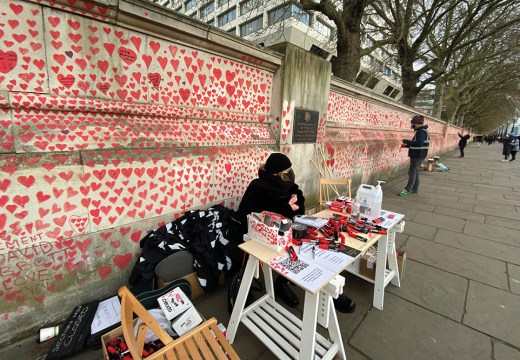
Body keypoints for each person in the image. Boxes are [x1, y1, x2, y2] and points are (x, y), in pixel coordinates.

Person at [238, 153, 357, 313]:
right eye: (286, 170)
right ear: (275, 173)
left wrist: (293, 207)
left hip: (290, 229)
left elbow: (299, 203)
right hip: (266, 237)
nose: (290, 173)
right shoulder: (257, 187)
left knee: (317, 248)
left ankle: (310, 286)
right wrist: (287, 208)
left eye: (290, 169)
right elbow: (256, 214)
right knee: (296, 253)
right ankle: (287, 282)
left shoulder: (287, 184)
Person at [398, 115, 430, 196]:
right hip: (419, 155)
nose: (412, 125)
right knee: (415, 172)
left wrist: (406, 140)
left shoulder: (421, 132)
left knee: (412, 172)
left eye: (412, 123)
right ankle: (415, 188)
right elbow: (416, 143)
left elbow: (419, 143)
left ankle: (408, 189)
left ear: (416, 123)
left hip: (417, 155)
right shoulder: (422, 131)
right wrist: (406, 145)